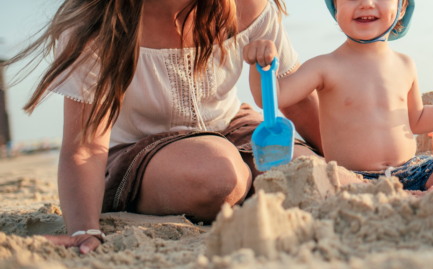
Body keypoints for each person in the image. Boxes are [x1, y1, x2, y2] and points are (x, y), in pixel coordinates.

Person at [3, 0, 323, 254]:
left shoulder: (247, 4)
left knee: (308, 175)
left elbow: (295, 100)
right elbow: (86, 146)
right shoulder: (94, 24)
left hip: (231, 123)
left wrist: (346, 162)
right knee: (222, 178)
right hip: (139, 147)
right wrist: (83, 229)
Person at [244, 0, 433, 191]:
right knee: (329, 181)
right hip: (354, 179)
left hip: (413, 170)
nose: (366, 3)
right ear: (335, 7)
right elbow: (272, 97)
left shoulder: (405, 64)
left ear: (401, 8)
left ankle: (420, 193)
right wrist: (262, 66)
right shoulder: (325, 66)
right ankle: (403, 198)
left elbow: (418, 119)